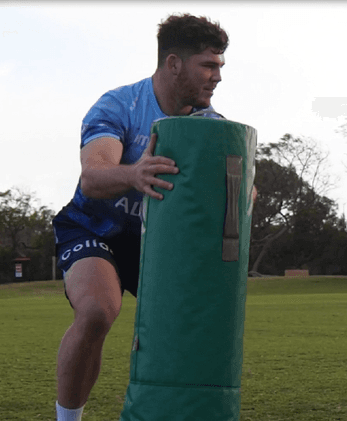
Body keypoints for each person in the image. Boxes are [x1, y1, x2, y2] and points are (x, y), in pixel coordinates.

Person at [51, 14, 228, 421]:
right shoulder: (120, 105)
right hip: (94, 226)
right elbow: (93, 177)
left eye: (219, 66)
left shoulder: (212, 127)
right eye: (208, 65)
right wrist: (134, 172)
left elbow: (239, 191)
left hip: (157, 242)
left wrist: (242, 190)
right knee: (97, 310)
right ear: (173, 64)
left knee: (183, 335)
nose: (217, 77)